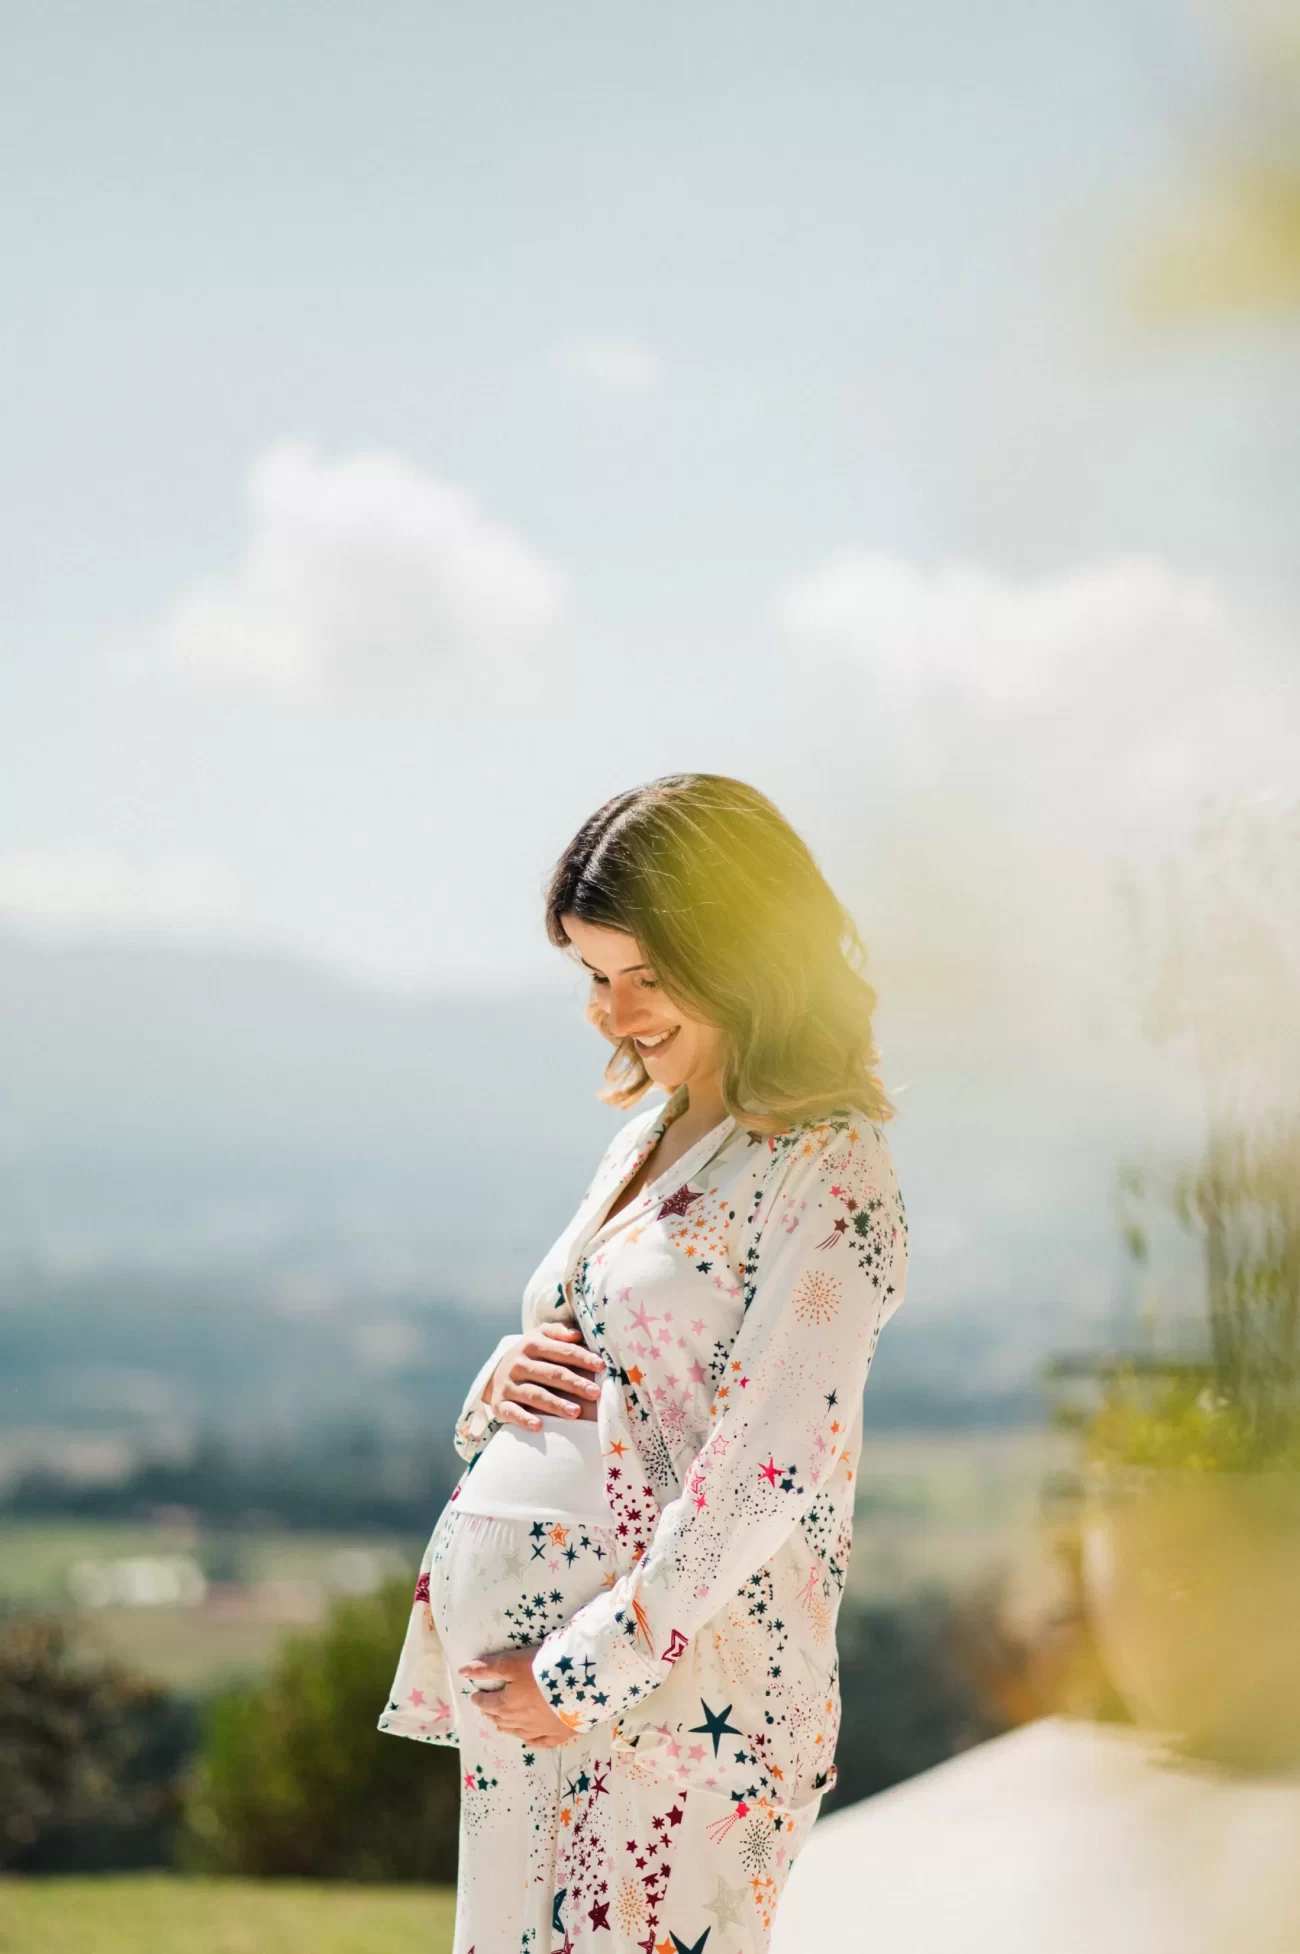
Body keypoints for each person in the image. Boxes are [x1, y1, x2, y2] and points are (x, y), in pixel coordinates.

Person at [380, 772, 909, 1954]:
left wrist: (583, 1666)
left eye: (647, 977)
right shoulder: (651, 1135)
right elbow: (619, 1361)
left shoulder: (829, 1167)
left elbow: (769, 1462)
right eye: (591, 976)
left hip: (671, 1707)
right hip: (539, 1705)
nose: (612, 1012)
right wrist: (499, 1385)